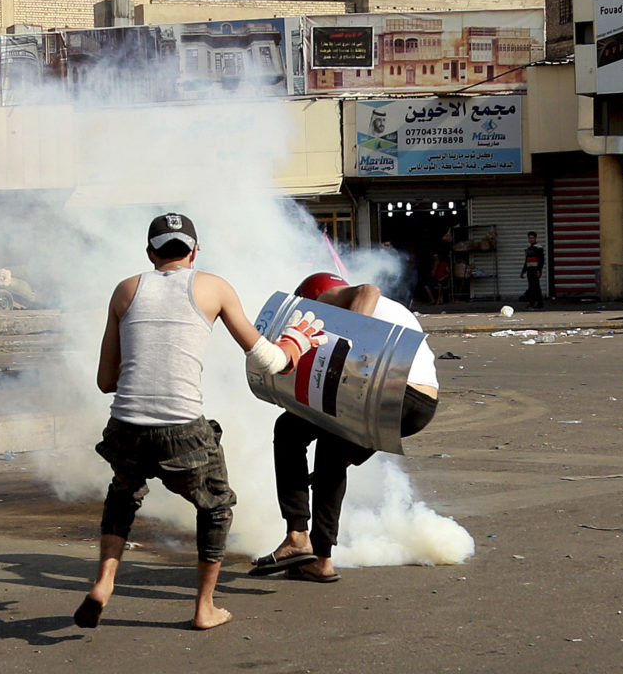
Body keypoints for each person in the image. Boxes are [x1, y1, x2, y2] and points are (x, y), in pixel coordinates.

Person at [74, 213, 327, 631]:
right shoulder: (213, 286)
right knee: (215, 506)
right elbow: (270, 361)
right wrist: (296, 342)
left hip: (125, 426)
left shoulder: (125, 290)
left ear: (150, 252)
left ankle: (103, 582)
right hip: (181, 429)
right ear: (194, 250)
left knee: (122, 497)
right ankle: (204, 608)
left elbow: (106, 381)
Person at [249, 273, 439, 583]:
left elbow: (369, 289)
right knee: (331, 455)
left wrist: (347, 346)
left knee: (288, 429)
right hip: (418, 409)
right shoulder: (394, 311)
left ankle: (298, 536)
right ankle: (321, 560)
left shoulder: (329, 299)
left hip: (388, 391)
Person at [519, 231, 544, 309]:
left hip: (535, 269)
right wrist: (523, 271)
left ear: (535, 238)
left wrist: (539, 270)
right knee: (531, 287)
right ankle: (532, 302)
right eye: (529, 238)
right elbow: (526, 261)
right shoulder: (529, 249)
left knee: (536, 287)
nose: (531, 239)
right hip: (530, 269)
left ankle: (538, 303)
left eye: (532, 238)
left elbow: (541, 260)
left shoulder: (539, 248)